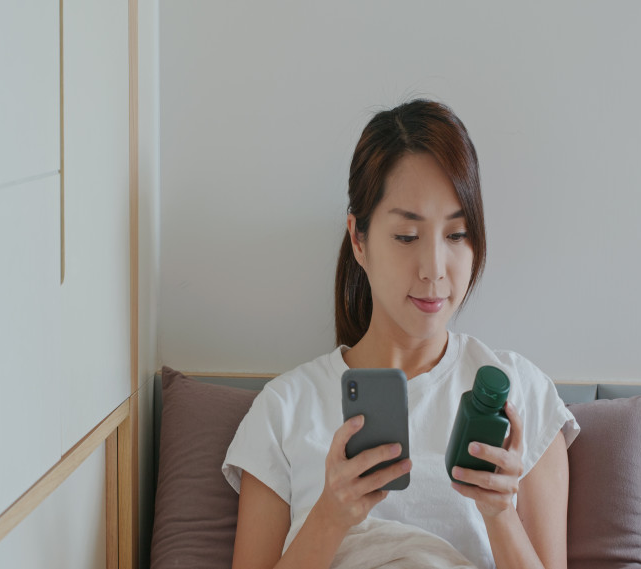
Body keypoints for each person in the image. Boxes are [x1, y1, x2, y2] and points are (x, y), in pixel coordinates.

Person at [222, 99, 579, 569]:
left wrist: (499, 514)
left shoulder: (522, 395)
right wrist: (330, 517)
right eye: (407, 236)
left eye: (456, 235)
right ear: (358, 239)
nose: (434, 270)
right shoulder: (284, 410)